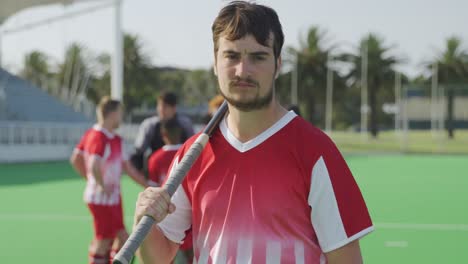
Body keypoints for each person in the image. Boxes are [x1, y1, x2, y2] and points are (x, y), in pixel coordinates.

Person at [134, 2, 373, 263]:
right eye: (232, 56)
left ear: (278, 64)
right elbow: (157, 258)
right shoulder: (193, 154)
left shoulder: (314, 150)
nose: (243, 71)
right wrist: (143, 220)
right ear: (215, 62)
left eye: (258, 57)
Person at [70, 96, 148, 264]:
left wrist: (148, 185)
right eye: (120, 113)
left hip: (112, 198)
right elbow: (93, 165)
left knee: (121, 238)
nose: (121, 117)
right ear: (112, 114)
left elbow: (76, 158)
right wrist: (99, 183)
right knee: (105, 240)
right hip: (102, 199)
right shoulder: (99, 137)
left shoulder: (113, 138)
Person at [147, 119, 194, 263]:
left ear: (163, 134)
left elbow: (153, 191)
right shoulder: (191, 154)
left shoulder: (155, 158)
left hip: (166, 221)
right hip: (191, 221)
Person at [130, 91, 195, 174]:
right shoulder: (150, 125)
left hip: (181, 172)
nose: (161, 109)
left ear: (174, 108)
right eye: (159, 105)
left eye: (165, 106)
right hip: (157, 172)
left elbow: (194, 149)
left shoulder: (185, 124)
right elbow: (138, 152)